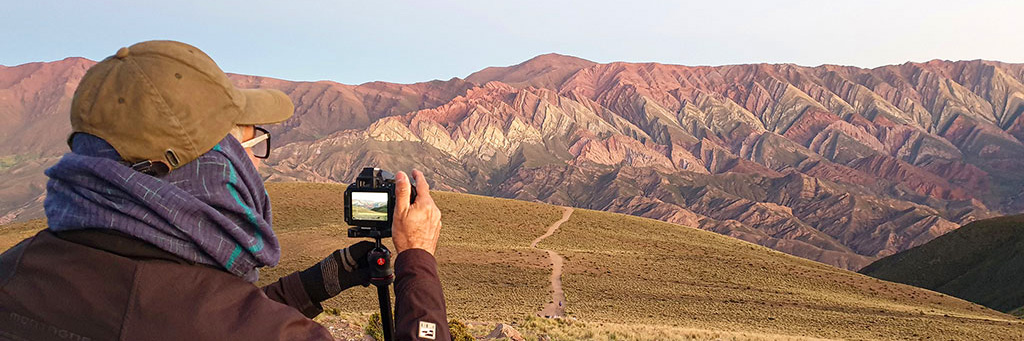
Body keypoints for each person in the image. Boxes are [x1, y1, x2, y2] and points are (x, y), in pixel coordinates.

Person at [0, 40, 450, 340]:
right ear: (211, 164)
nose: (257, 163)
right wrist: (418, 259)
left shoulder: (14, 273)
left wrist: (320, 281)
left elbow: (207, 311)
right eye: (253, 142)